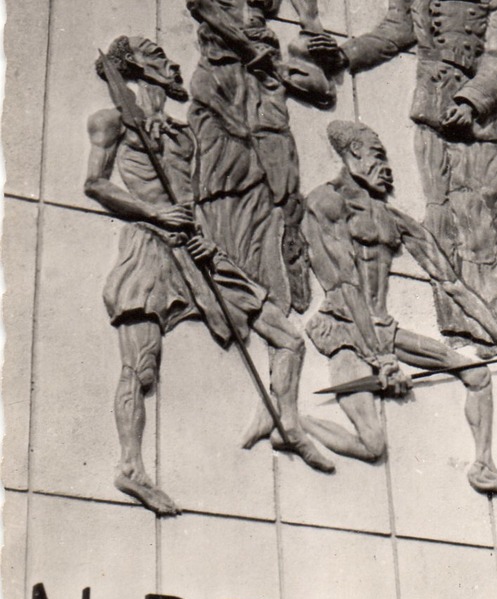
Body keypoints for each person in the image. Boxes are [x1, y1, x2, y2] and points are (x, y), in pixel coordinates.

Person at [85, 35, 334, 516]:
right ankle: (130, 468)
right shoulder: (111, 121)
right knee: (141, 366)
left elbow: (196, 198)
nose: (170, 63)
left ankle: (289, 425)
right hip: (151, 248)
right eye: (156, 57)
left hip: (197, 249)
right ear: (133, 68)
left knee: (288, 338)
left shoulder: (183, 135)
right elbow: (95, 185)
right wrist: (155, 214)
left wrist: (199, 228)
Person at [300, 120, 497, 498]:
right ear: (352, 154)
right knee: (372, 444)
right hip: (345, 328)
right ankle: (292, 423)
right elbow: (343, 285)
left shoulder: (393, 219)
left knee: (476, 375)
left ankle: (483, 466)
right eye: (378, 156)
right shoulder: (325, 202)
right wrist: (381, 361)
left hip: (383, 330)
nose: (387, 167)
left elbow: (453, 285)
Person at [172, 0, 345, 315]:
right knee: (221, 175)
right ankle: (227, 283)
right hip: (223, 72)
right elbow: (200, 2)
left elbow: (310, 19)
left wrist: (314, 43)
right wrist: (252, 51)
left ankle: (285, 274)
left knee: (281, 177)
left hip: (266, 80)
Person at [343, 0, 497, 349]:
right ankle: (460, 325)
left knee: (482, 224)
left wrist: (472, 100)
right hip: (431, 115)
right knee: (440, 219)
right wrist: (345, 55)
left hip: (479, 128)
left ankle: (495, 327)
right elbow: (393, 32)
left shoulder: (491, 2)